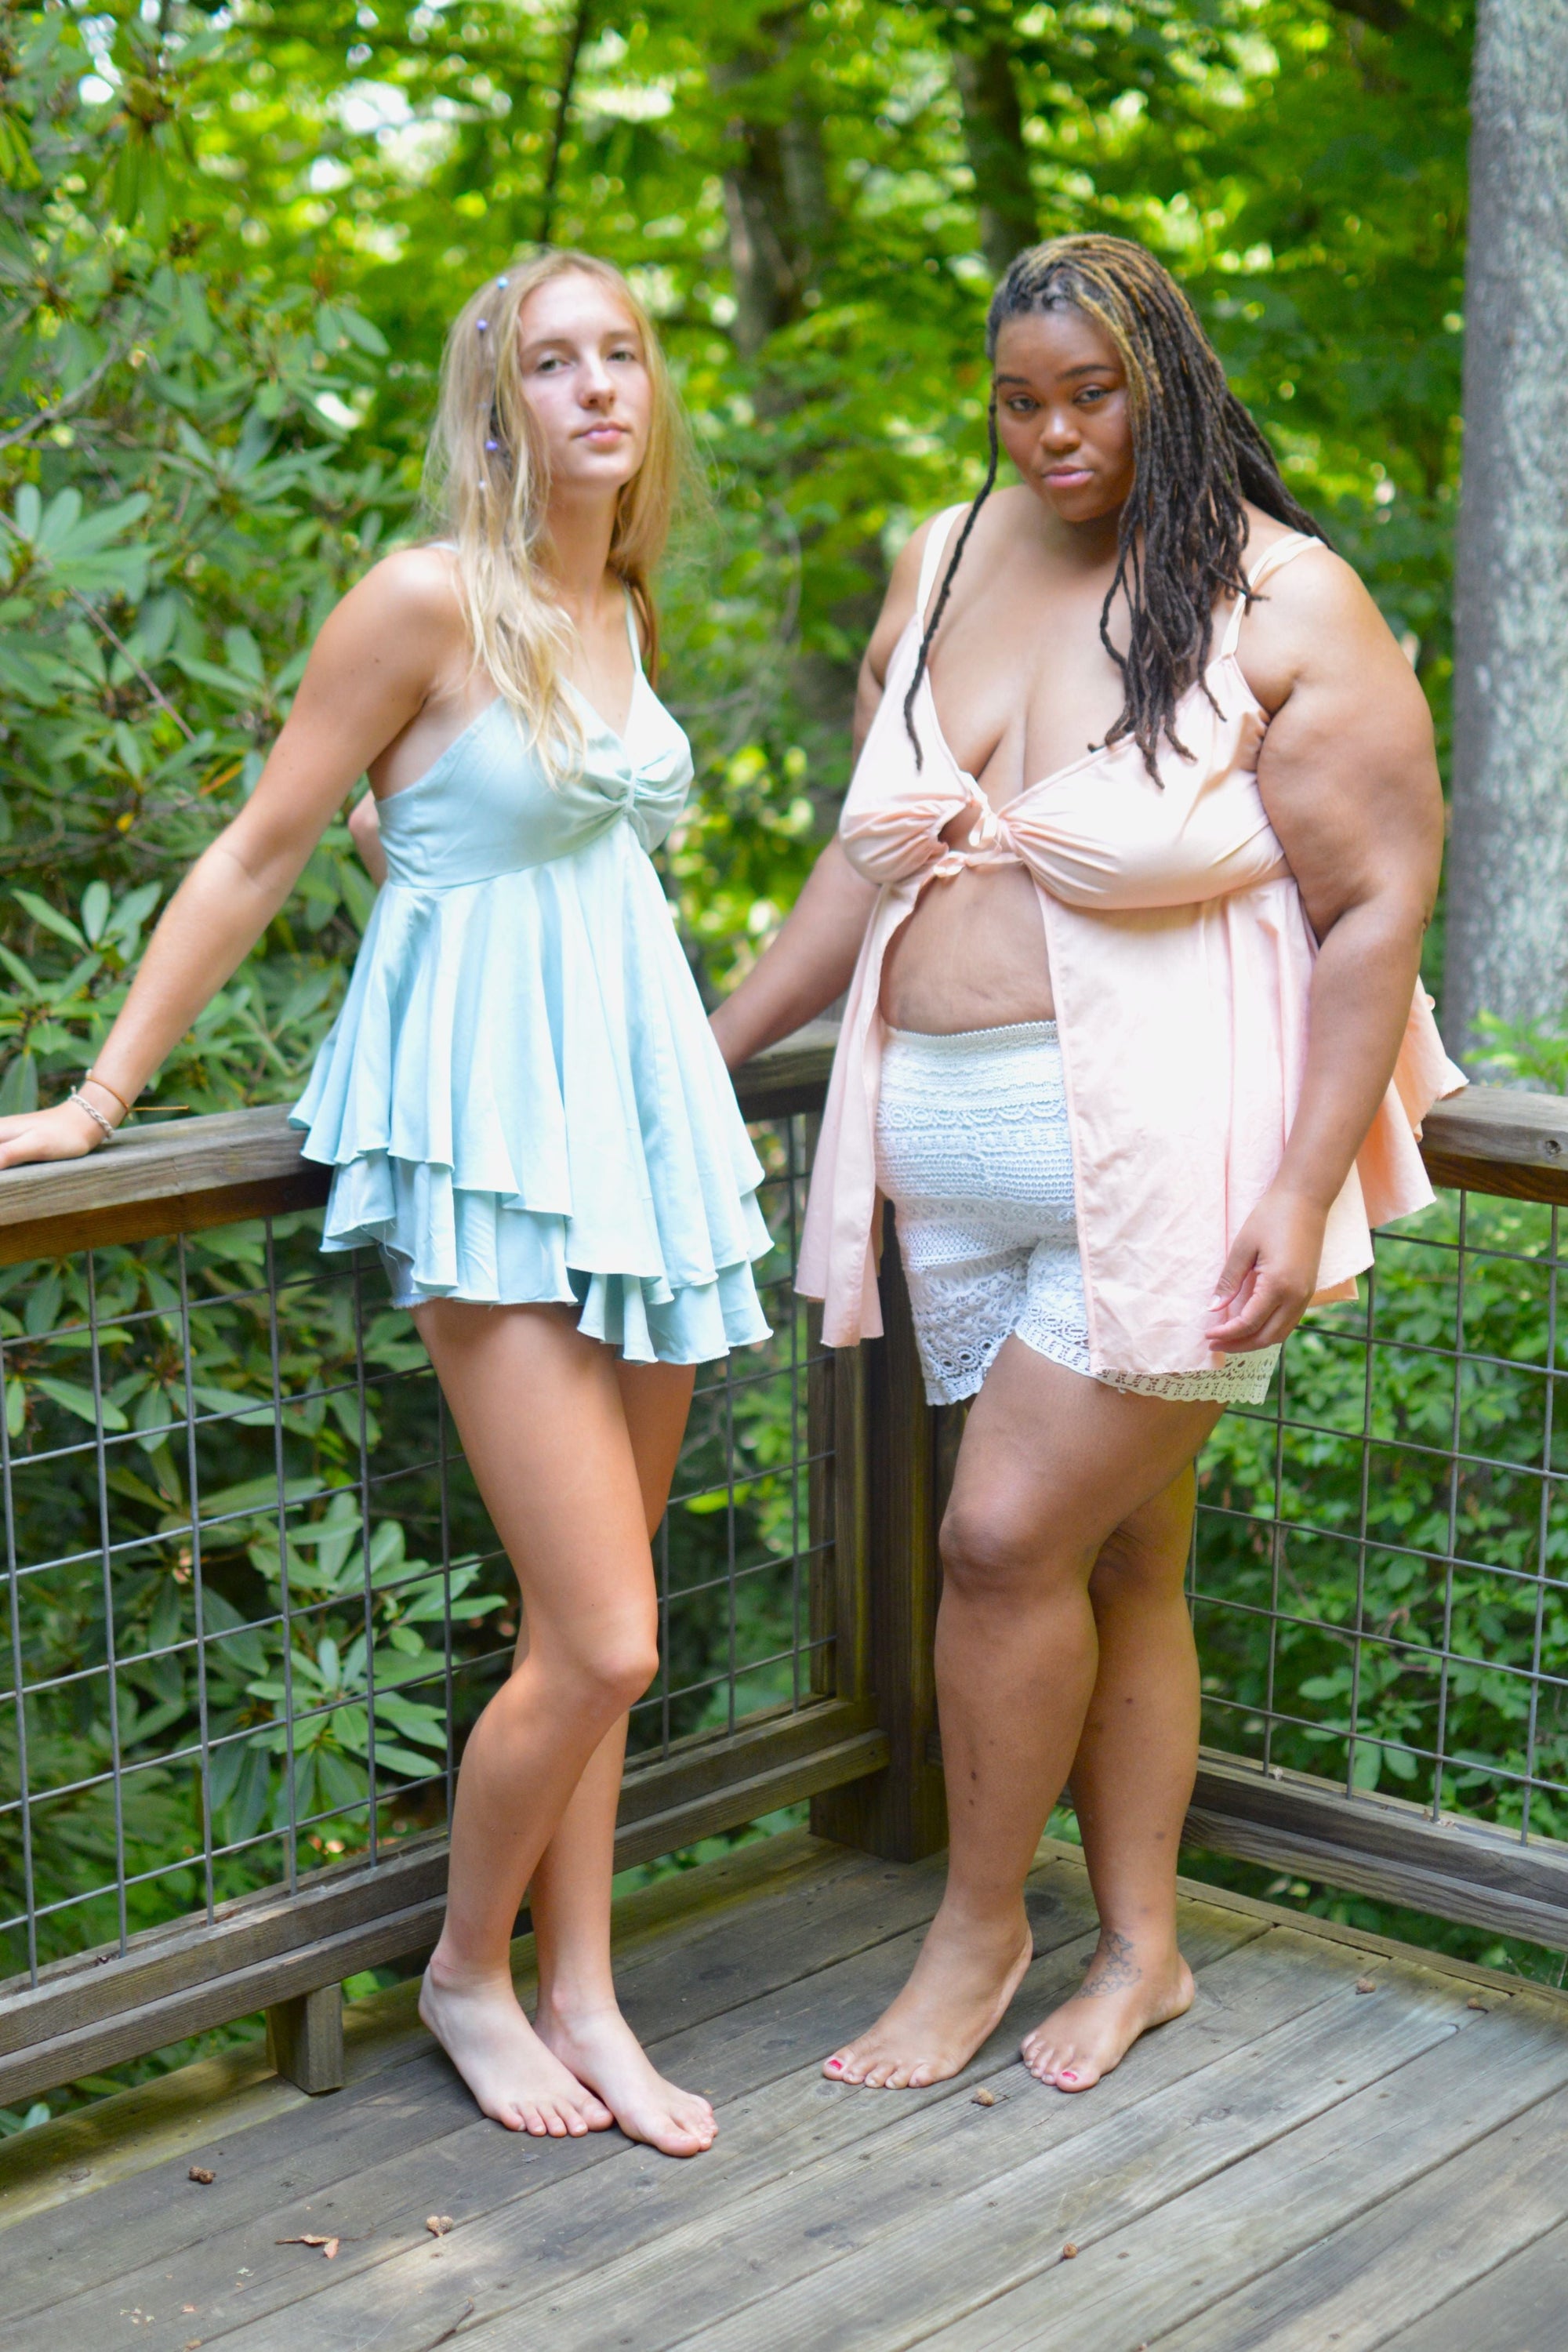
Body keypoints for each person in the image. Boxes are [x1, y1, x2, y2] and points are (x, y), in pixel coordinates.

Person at [0, 249, 775, 2155]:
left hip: (642, 1143)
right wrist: (100, 1095)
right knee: (606, 1640)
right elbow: (269, 843)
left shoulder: (619, 603)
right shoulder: (429, 597)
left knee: (581, 1617)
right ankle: (464, 1970)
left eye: (625, 356)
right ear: (495, 401)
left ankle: (586, 1990)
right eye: (555, 361)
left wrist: (412, 841)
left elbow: (503, 839)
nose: (600, 387)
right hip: (488, 1151)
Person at [710, 234, 1459, 2096]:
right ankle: (1145, 1951)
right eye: (1019, 399)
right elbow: (859, 865)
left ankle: (977, 1935)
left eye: (1091, 394)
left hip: (1179, 1164)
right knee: (1121, 1556)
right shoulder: (946, 555)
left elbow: (1372, 910)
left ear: (1169, 384)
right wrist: (702, 1057)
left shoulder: (1287, 601)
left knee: (991, 1541)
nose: (1052, 433)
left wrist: (1296, 1193)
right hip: (951, 1169)